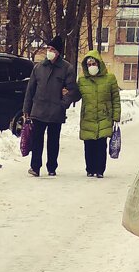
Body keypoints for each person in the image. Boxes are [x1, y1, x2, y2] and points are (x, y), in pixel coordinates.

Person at [22, 35, 80, 177]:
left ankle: (52, 167)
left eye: (52, 49)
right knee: (37, 140)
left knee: (53, 142)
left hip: (56, 111)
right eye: (48, 48)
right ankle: (35, 167)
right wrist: (26, 109)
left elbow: (73, 91)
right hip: (39, 110)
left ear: (58, 52)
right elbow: (30, 90)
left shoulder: (67, 68)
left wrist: (63, 104)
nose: (49, 51)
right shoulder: (39, 67)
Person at [76, 50, 121, 178]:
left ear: (99, 63)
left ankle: (100, 170)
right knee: (89, 145)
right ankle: (90, 169)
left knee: (101, 145)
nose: (91, 66)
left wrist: (116, 115)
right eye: (89, 64)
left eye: (93, 63)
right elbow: (76, 95)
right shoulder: (82, 80)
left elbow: (115, 99)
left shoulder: (110, 79)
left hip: (104, 116)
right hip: (88, 117)